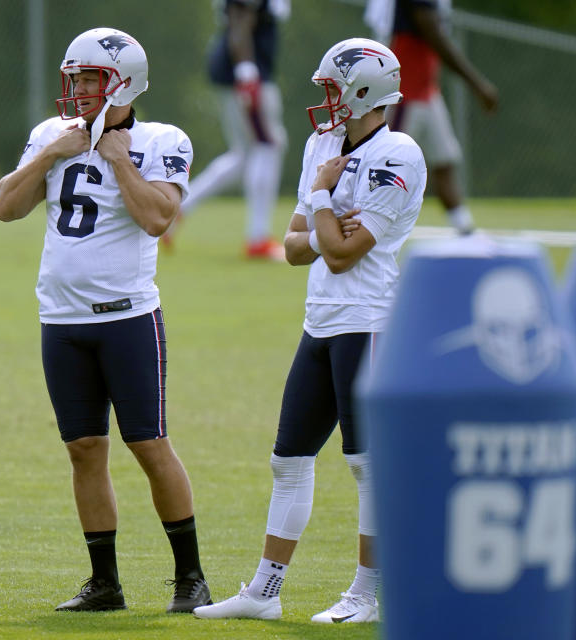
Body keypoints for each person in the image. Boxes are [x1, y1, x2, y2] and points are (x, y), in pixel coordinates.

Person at [193, 37, 425, 623]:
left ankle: (367, 596)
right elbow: (298, 247)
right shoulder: (324, 143)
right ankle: (265, 593)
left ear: (363, 89)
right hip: (320, 320)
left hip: (368, 320)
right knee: (289, 459)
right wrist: (326, 220)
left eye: (332, 88)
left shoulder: (399, 153)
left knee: (366, 463)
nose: (324, 99)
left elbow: (344, 253)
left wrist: (323, 199)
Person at [0, 27, 211, 614]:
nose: (80, 90)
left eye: (92, 79)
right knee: (84, 448)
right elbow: (4, 207)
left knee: (149, 444)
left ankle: (190, 577)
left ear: (125, 83)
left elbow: (159, 219)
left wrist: (120, 164)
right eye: (76, 78)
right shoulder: (52, 135)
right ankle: (104, 583)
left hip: (127, 319)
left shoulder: (163, 140)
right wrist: (49, 155)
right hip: (61, 320)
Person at [163, 0, 290, 260]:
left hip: (238, 71)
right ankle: (258, 238)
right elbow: (239, 17)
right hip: (246, 72)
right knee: (268, 147)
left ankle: (179, 208)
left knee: (244, 155)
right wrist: (247, 72)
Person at [366, 0, 498, 234]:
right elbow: (431, 30)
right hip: (405, 86)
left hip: (427, 89)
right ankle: (366, 228)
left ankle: (465, 230)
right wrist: (476, 83)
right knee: (388, 163)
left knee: (445, 161)